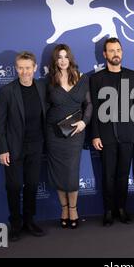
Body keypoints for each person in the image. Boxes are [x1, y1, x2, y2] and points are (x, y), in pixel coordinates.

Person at [90, 37, 134, 226]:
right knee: (107, 175)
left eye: (118, 50)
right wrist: (95, 134)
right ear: (105, 54)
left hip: (128, 133)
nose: (115, 54)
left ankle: (122, 209)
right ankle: (108, 211)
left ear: (122, 52)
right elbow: (94, 109)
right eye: (111, 51)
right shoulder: (96, 78)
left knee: (123, 174)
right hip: (106, 135)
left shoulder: (132, 76)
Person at [0, 51, 47, 241]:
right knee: (14, 186)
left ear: (35, 68)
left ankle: (29, 220)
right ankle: (15, 223)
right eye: (21, 68)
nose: (24, 72)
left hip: (36, 145)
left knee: (32, 185)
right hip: (14, 147)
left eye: (28, 68)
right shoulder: (7, 91)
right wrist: (3, 149)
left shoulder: (42, 87)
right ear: (16, 68)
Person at [46, 44, 93, 229]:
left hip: (75, 133)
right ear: (55, 60)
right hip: (54, 134)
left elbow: (89, 104)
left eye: (66, 56)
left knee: (72, 172)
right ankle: (64, 209)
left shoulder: (82, 78)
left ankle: (73, 209)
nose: (63, 60)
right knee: (59, 172)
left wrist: (84, 122)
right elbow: (44, 108)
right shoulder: (48, 81)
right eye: (59, 57)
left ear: (70, 58)